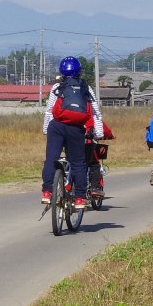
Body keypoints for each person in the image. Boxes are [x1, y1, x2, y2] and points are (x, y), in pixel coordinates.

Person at [40, 56, 106, 209]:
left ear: (61, 71)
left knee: (51, 159)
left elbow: (49, 111)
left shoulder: (57, 87)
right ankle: (80, 198)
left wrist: (46, 130)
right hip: (76, 128)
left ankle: (47, 192)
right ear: (79, 71)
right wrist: (99, 132)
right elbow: (96, 112)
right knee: (78, 163)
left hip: (56, 127)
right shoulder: (86, 87)